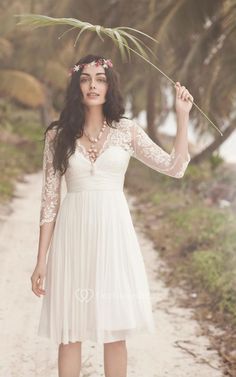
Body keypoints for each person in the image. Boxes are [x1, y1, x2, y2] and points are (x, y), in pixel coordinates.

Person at [31, 54, 193, 377]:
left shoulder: (127, 131)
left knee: (115, 334)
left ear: (110, 86)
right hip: (72, 240)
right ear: (77, 86)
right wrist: (40, 260)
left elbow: (174, 167)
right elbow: (50, 200)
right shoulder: (57, 136)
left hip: (114, 240)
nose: (93, 85)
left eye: (100, 78)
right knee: (69, 333)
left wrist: (182, 116)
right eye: (86, 79)